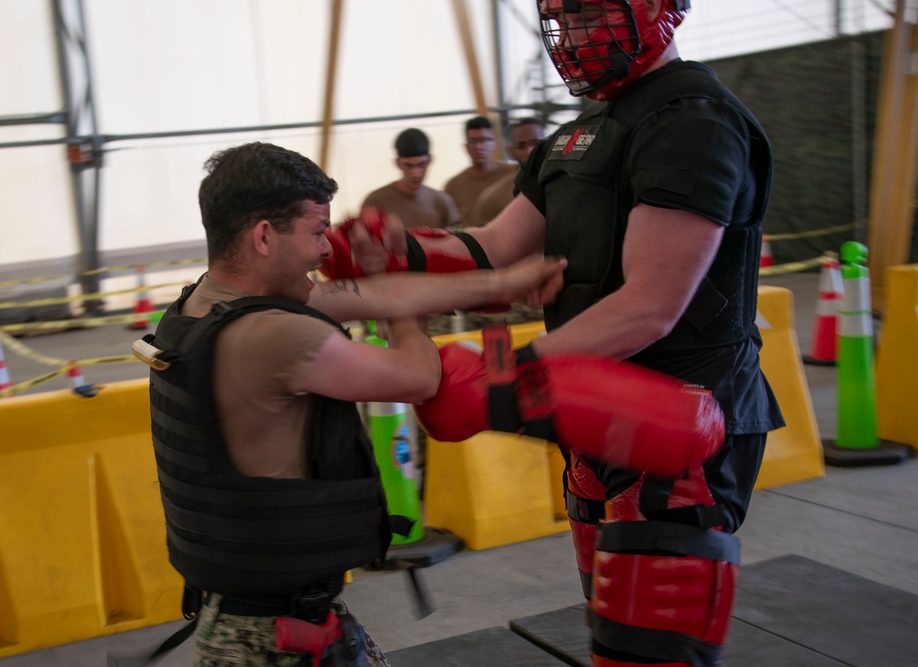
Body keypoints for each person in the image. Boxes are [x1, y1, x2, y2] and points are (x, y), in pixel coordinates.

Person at [321, 2, 784, 666]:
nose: (575, 36)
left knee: (650, 650)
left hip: (681, 419)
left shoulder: (692, 122)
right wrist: (395, 248)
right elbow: (495, 244)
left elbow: (648, 309)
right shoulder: (576, 135)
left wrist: (502, 368)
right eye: (564, 20)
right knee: (610, 627)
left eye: (593, 13)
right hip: (595, 409)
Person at [135, 141, 565, 667]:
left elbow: (376, 297)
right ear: (264, 236)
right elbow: (419, 375)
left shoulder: (200, 302)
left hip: (245, 612)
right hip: (273, 638)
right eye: (316, 233)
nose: (324, 250)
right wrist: (396, 304)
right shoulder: (273, 335)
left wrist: (503, 282)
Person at [360, 128, 461, 230]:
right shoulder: (376, 201)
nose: (415, 174)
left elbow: (456, 240)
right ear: (398, 164)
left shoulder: (442, 202)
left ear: (430, 161)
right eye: (408, 166)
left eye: (421, 164)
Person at [469, 117, 548, 226]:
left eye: (536, 143)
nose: (529, 151)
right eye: (521, 146)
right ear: (511, 151)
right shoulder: (493, 198)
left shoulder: (569, 184)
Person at [443, 116, 519, 228]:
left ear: (495, 143)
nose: (478, 146)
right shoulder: (453, 186)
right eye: (473, 141)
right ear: (466, 147)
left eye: (483, 140)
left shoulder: (514, 173)